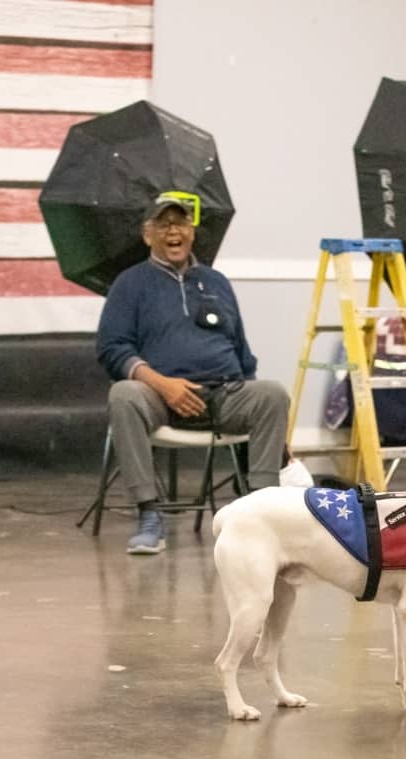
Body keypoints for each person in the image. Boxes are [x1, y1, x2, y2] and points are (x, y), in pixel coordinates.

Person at [96, 193, 290, 555]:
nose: (174, 231)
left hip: (224, 395)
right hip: (159, 398)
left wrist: (258, 403)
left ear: (192, 232)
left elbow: (242, 352)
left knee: (272, 393)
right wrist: (162, 384)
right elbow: (112, 349)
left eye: (181, 223)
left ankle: (263, 512)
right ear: (147, 234)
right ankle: (149, 515)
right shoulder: (129, 284)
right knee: (123, 394)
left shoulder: (215, 281)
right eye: (164, 224)